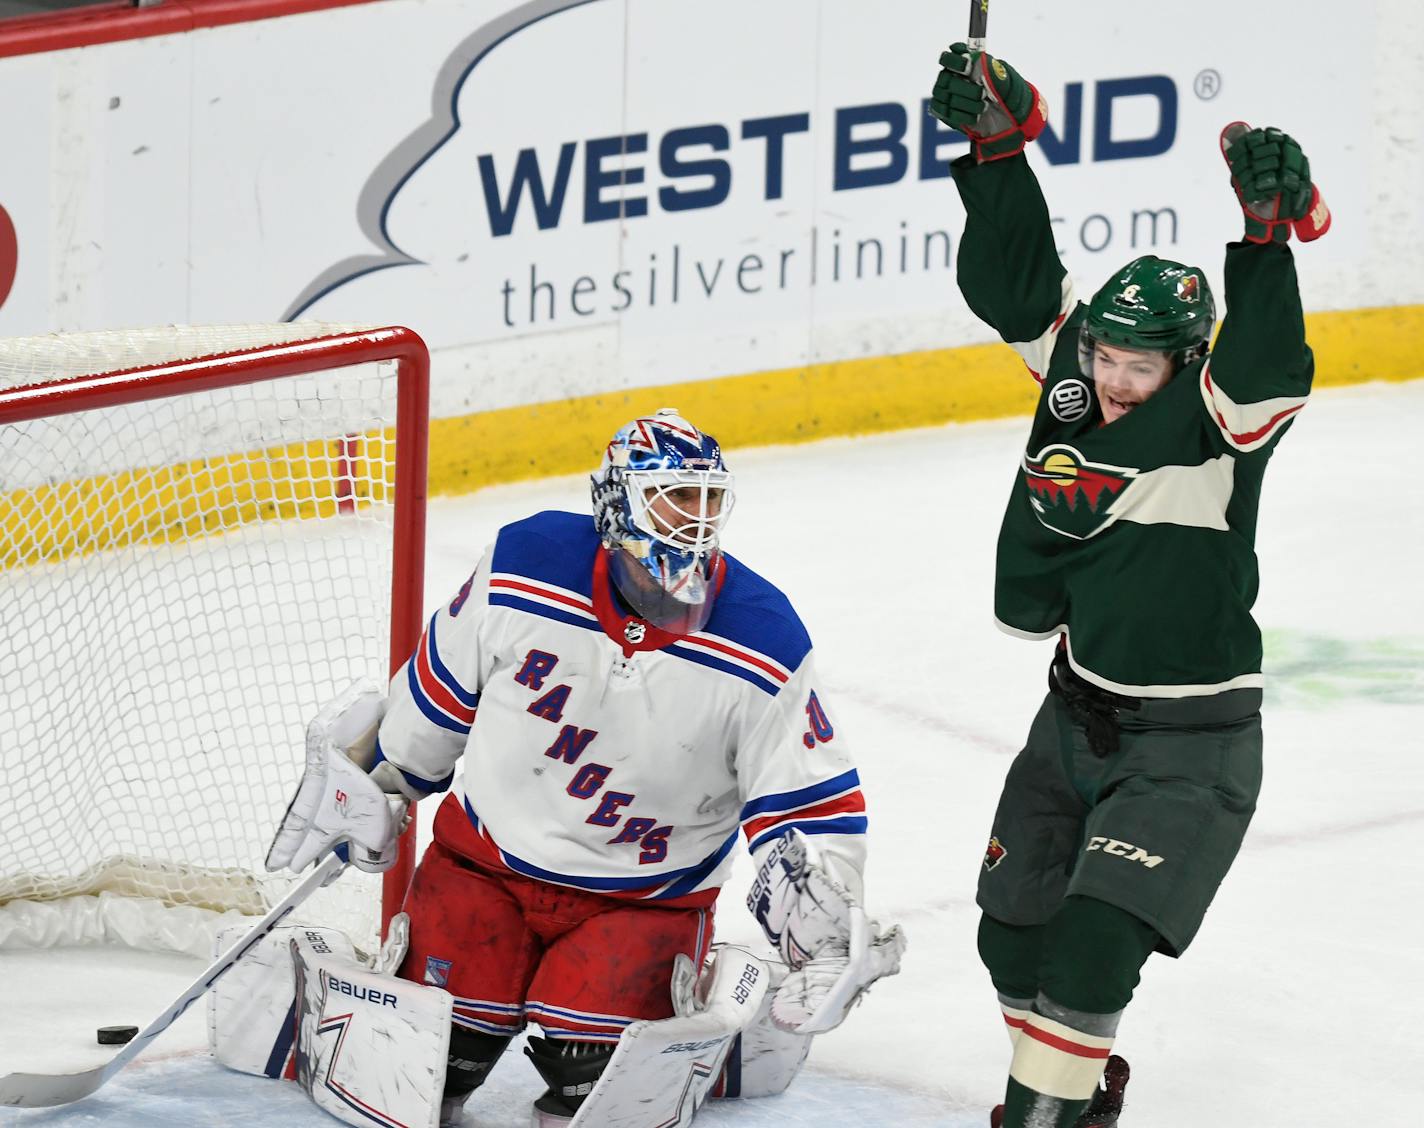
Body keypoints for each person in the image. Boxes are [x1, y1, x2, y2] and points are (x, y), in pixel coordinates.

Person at [928, 42, 1329, 1128]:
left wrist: (1261, 242)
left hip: (1188, 746)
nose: (1110, 379)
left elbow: (1264, 365)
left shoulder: (1217, 424)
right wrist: (995, 149)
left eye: (1136, 366)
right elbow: (1011, 281)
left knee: (1094, 948)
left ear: (1184, 362)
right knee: (1006, 936)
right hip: (1070, 713)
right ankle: (1077, 1088)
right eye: (1103, 355)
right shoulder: (1077, 372)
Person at [301, 408, 903, 1126]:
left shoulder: (765, 637)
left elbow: (809, 802)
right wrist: (385, 779)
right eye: (676, 497)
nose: (696, 519)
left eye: (709, 500)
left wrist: (830, 929)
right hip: (485, 867)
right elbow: (439, 694)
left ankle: (708, 1038)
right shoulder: (524, 563)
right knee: (432, 1065)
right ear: (618, 503)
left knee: (597, 1095)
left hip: (642, 900)